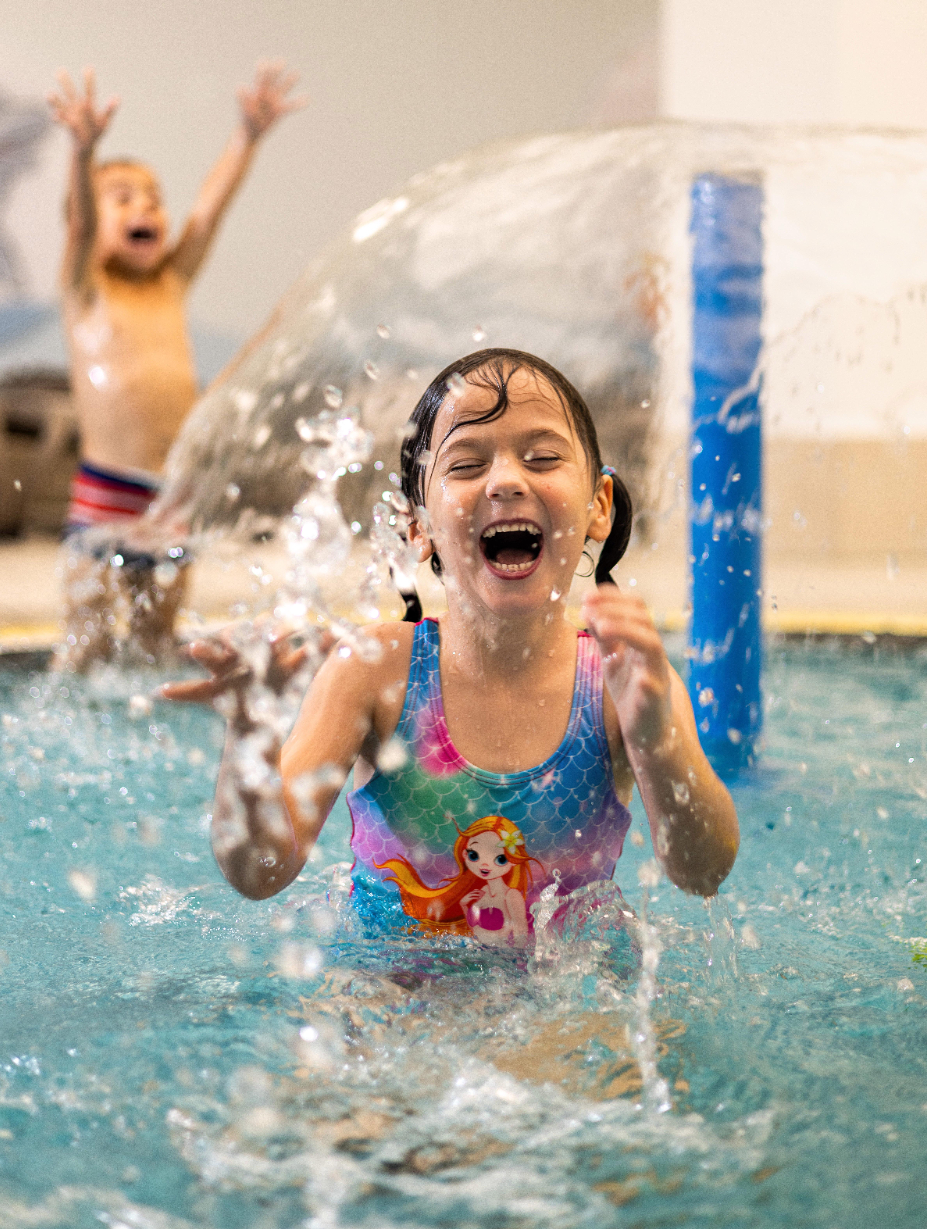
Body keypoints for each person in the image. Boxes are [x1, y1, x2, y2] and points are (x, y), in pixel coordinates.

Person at [163, 348, 739, 933]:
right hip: (390, 989)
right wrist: (249, 736)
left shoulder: (623, 686)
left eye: (542, 458)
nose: (507, 481)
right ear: (417, 527)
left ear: (599, 506)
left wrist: (658, 735)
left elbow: (703, 872)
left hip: (564, 1003)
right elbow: (260, 872)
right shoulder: (373, 672)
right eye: (466, 466)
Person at [48, 62, 304, 669]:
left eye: (154, 199)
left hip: (172, 494)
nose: (146, 207)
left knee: (158, 642)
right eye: (124, 198)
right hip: (107, 492)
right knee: (83, 645)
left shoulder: (168, 284)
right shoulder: (85, 289)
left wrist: (246, 137)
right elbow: (82, 226)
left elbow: (207, 214)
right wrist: (84, 151)